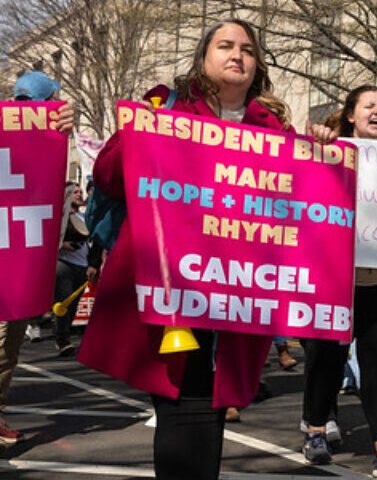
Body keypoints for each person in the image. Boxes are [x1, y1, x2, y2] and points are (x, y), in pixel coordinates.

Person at [77, 19, 333, 480]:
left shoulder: (275, 128)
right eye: (225, 45)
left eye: (248, 49)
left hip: (239, 294)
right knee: (182, 403)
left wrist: (321, 154)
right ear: (203, 57)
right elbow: (111, 178)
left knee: (211, 409)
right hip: (175, 288)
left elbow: (307, 206)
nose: (238, 55)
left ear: (257, 66)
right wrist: (138, 132)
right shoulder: (165, 106)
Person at [301, 85, 377, 479]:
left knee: (376, 365)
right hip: (335, 278)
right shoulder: (331, 150)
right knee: (327, 359)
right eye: (370, 105)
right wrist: (314, 141)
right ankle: (316, 431)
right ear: (351, 115)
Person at [0, 71, 74, 444]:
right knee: (4, 346)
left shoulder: (44, 134)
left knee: (8, 346)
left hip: (17, 255)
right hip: (10, 263)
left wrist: (62, 127)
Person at [53, 182, 89, 356]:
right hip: (64, 265)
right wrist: (63, 244)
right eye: (75, 192)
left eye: (80, 191)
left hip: (82, 265)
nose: (79, 194)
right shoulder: (60, 216)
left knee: (73, 305)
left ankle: (64, 333)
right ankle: (62, 340)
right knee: (63, 302)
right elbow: (51, 238)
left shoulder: (84, 217)